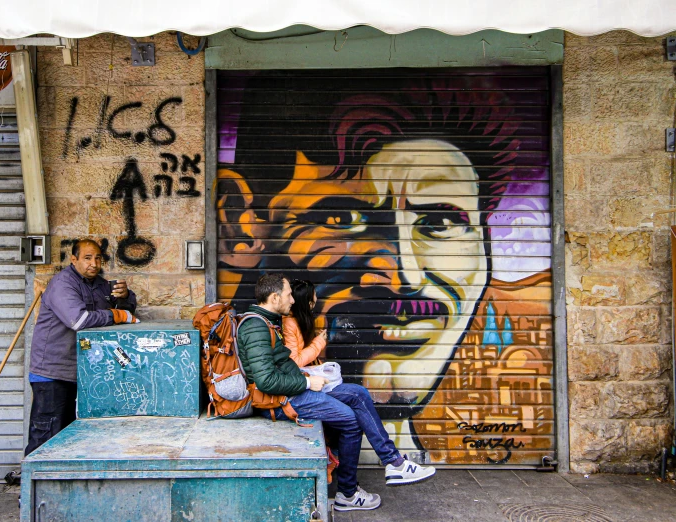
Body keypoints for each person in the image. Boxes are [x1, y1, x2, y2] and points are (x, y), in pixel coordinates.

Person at [217, 76, 533, 450]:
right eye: (341, 219)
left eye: (441, 223)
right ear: (238, 225)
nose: (405, 278)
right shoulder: (263, 325)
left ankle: (391, 465)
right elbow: (268, 379)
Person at [236, 273, 436, 512]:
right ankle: (348, 494)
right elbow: (267, 381)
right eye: (289, 295)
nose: (292, 300)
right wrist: (307, 384)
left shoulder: (267, 321)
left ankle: (394, 462)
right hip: (281, 401)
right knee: (351, 421)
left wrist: (308, 377)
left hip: (294, 388)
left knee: (358, 393)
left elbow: (282, 366)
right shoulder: (256, 327)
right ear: (275, 297)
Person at [25, 239, 139, 456]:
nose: (94, 263)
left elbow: (126, 310)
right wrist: (115, 315)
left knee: (70, 437)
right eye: (87, 258)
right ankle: (32, 487)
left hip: (82, 372)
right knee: (47, 437)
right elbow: (77, 321)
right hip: (53, 374)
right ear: (74, 259)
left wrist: (124, 298)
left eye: (98, 258)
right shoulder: (63, 284)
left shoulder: (98, 285)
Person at [282, 279, 326, 367]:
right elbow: (295, 362)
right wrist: (319, 342)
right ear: (309, 303)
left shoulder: (300, 319)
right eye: (315, 294)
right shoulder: (288, 323)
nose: (316, 298)